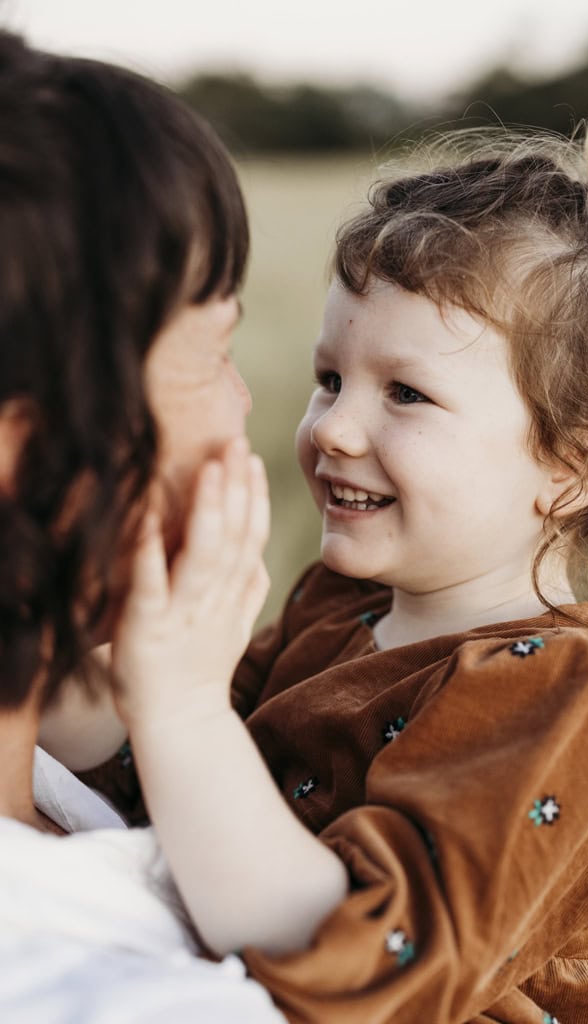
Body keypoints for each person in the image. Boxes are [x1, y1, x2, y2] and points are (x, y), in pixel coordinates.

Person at [87, 103, 588, 1024]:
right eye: (330, 378)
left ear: (574, 470)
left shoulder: (563, 694)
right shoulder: (344, 602)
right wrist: (87, 668)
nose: (331, 427)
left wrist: (180, 705)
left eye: (405, 393)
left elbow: (371, 957)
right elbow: (154, 777)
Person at [0, 29, 285, 1023]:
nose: (251, 404)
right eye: (212, 351)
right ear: (22, 454)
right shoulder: (123, 1000)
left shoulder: (48, 776)